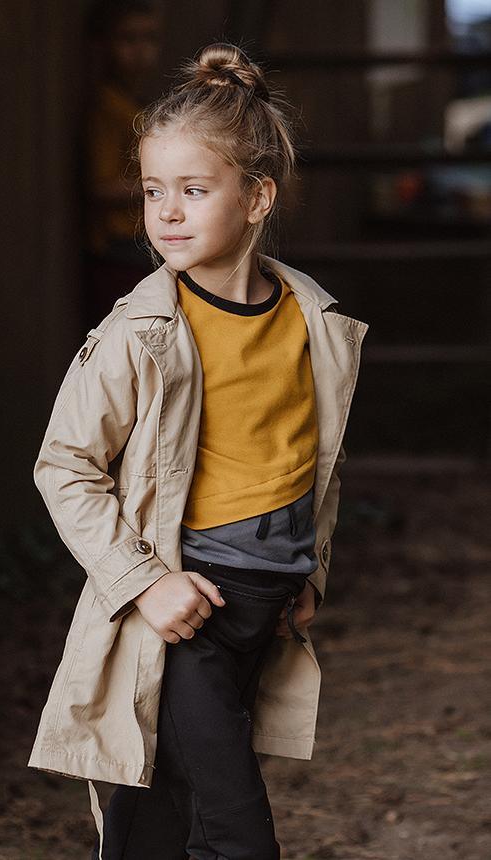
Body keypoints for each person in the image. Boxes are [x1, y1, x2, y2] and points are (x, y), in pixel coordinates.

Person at [27, 41, 369, 859]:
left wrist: (308, 570)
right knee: (236, 833)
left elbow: (312, 461)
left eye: (192, 189)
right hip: (188, 617)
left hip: (266, 604)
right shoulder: (139, 333)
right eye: (152, 191)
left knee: (164, 811)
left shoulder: (311, 321)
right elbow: (64, 466)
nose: (166, 212)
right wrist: (146, 585)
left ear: (256, 198)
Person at [82, 0, 163, 323]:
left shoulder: (137, 103)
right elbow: (99, 186)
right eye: (129, 39)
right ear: (103, 45)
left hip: (142, 243)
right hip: (116, 247)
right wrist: (160, 188)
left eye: (149, 38)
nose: (141, 50)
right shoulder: (107, 107)